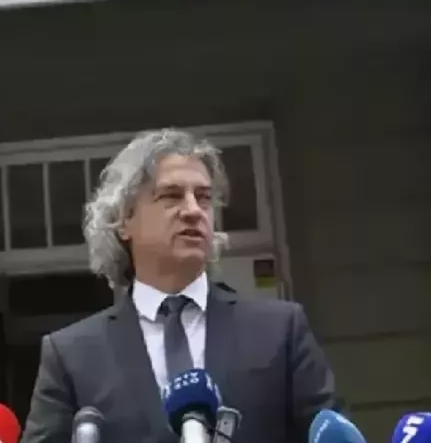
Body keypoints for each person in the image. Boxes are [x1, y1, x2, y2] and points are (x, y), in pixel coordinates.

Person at [20, 128, 337, 443]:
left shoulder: (280, 329)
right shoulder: (71, 355)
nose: (193, 210)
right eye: (171, 196)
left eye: (204, 197)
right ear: (124, 220)